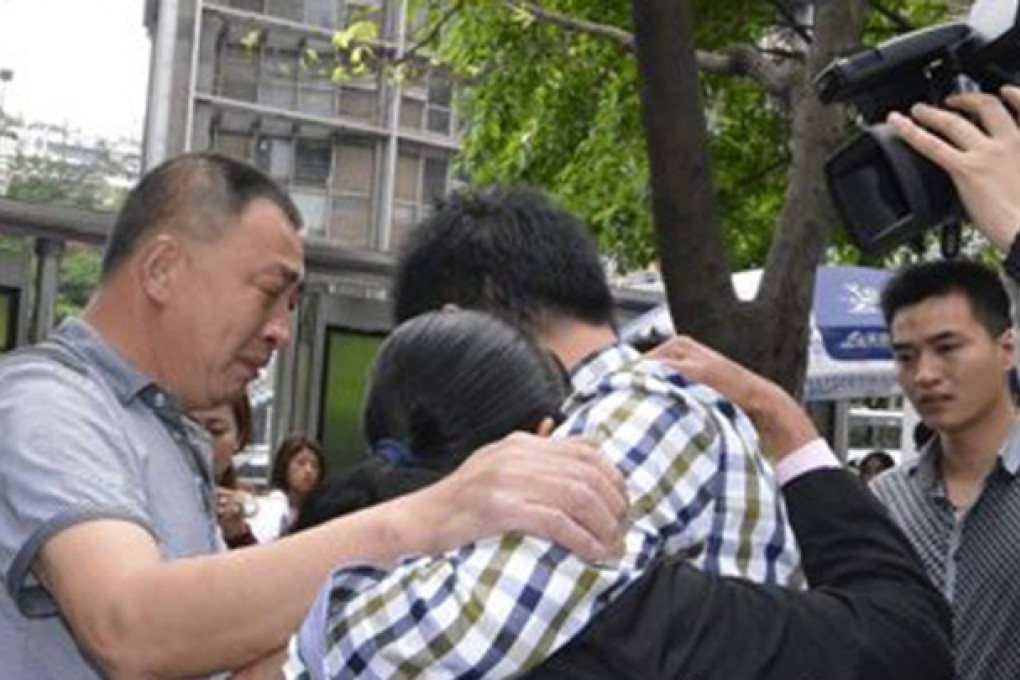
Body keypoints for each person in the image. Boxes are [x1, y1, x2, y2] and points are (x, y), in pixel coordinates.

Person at [0, 152, 628, 679]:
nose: (279, 331)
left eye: (293, 305)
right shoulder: (48, 402)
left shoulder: (167, 427)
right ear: (162, 270)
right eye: (270, 292)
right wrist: (434, 515)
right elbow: (128, 624)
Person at [297, 188, 802, 677]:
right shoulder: (617, 410)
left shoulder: (640, 407)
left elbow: (445, 640)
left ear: (451, 324)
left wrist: (300, 631)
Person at [288, 333, 952, 680]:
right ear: (549, 439)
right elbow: (907, 640)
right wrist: (778, 416)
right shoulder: (642, 621)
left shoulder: (327, 607)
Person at [872, 84, 1020, 680]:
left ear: (1006, 348)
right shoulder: (885, 501)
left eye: (948, 347)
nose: (925, 375)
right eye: (906, 356)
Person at [191, 392, 261, 548]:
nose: (200, 443)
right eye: (189, 429)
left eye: (216, 431)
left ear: (239, 437)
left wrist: (236, 535)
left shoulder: (255, 511)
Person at [254, 434, 327, 541]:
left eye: (314, 465)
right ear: (284, 466)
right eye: (301, 463)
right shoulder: (270, 507)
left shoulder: (322, 512)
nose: (308, 470)